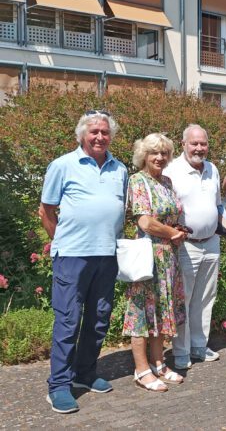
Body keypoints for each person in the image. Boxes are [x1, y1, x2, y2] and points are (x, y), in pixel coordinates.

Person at [39, 111, 127, 413]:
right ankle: (59, 385)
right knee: (67, 320)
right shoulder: (63, 165)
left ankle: (85, 374)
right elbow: (46, 211)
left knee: (99, 318)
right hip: (73, 257)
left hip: (107, 255)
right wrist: (63, 242)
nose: (100, 137)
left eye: (105, 132)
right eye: (94, 132)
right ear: (82, 136)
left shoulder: (120, 169)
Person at [123, 133, 187, 392]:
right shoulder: (138, 181)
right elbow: (145, 222)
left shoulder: (167, 181)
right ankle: (141, 370)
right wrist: (172, 233)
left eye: (164, 153)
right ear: (144, 156)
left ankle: (159, 363)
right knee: (141, 312)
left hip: (169, 256)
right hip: (148, 256)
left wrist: (178, 231)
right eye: (154, 153)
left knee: (162, 310)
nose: (160, 157)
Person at [164, 125, 221, 371]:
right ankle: (181, 351)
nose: (199, 148)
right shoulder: (171, 171)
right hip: (185, 245)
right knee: (183, 299)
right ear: (184, 143)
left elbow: (217, 204)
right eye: (194, 143)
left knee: (205, 298)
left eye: (203, 144)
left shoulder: (212, 169)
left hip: (211, 242)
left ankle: (199, 345)